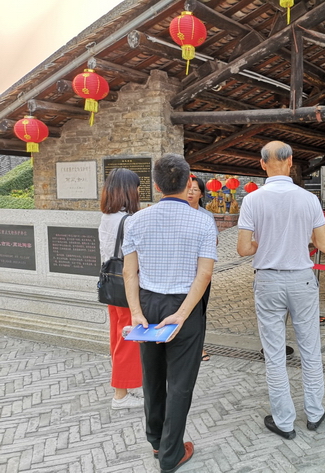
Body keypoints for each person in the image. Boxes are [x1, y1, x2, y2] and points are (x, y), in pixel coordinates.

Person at [122, 154, 218, 473]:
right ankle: (171, 454)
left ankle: (155, 440)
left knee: (152, 375)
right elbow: (204, 274)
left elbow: (129, 272)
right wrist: (182, 314)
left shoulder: (135, 220)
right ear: (189, 182)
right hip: (184, 305)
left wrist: (136, 313)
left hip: (148, 303)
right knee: (180, 382)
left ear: (156, 184)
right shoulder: (203, 221)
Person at [237, 141, 325, 440]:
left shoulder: (252, 200)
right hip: (302, 280)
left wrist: (262, 244)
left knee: (275, 354)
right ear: (291, 161)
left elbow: (243, 249)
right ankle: (314, 414)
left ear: (262, 164)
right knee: (310, 349)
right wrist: (302, 238)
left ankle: (284, 421)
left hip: (268, 281)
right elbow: (324, 245)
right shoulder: (309, 199)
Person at [98, 168, 144, 410]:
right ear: (129, 190)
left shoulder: (107, 217)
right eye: (137, 187)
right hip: (127, 288)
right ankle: (120, 395)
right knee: (128, 339)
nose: (138, 192)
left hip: (111, 287)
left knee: (118, 337)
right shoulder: (130, 220)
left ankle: (122, 389)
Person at [186, 175, 218, 362]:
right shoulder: (178, 213)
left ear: (201, 194)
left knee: (199, 310)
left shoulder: (207, 216)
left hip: (201, 271)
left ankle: (199, 347)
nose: (191, 192)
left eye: (195, 189)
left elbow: (214, 241)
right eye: (189, 189)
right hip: (182, 270)